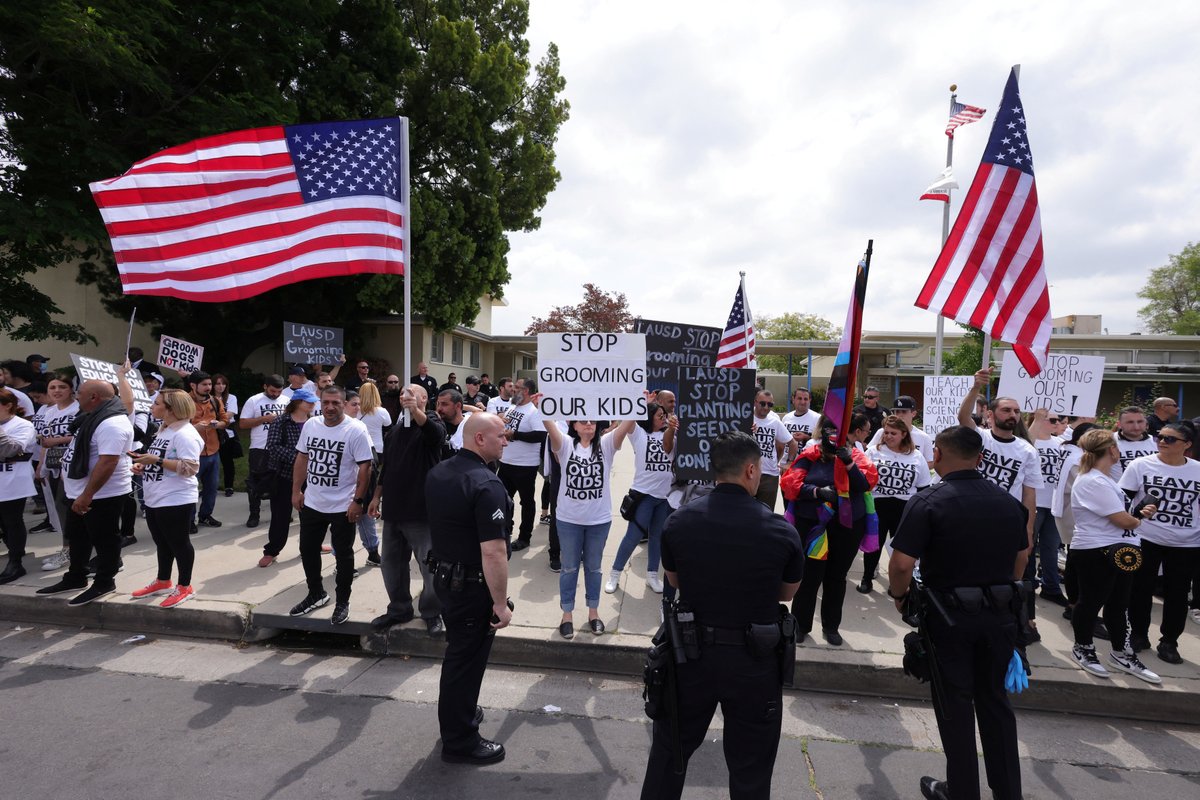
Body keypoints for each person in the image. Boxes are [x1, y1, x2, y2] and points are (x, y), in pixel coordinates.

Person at [640, 430, 803, 799]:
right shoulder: (780, 530)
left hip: (690, 657)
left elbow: (675, 579)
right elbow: (787, 593)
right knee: (751, 769)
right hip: (753, 662)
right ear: (750, 470)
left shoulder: (679, 521)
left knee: (669, 754)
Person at [887, 425, 1027, 800]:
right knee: (996, 704)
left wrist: (899, 597)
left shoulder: (929, 500)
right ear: (980, 458)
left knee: (956, 706)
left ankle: (962, 792)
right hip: (1000, 616)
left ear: (937, 456)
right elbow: (1022, 554)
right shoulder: (1007, 501)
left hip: (949, 620)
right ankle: (1008, 792)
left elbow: (901, 564)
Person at [424, 412, 512, 764]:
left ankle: (462, 713)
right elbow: (493, 550)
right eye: (501, 436)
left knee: (460, 655)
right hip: (470, 586)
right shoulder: (485, 484)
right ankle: (459, 740)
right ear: (480, 439)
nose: (506, 441)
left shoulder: (439, 471)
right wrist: (500, 603)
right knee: (465, 660)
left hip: (445, 579)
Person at [1066, 428, 1161, 682]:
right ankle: (1083, 648)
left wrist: (1137, 515)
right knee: (1091, 602)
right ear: (1111, 450)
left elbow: (1124, 517)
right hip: (1095, 550)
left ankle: (1120, 653)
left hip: (1117, 548)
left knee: (1119, 604)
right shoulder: (1093, 481)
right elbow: (1124, 521)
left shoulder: (1104, 479)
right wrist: (1138, 518)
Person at [958, 368, 1041, 640]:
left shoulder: (1027, 450)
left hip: (1006, 520)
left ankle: (1006, 622)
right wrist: (975, 388)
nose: (1013, 415)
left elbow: (1029, 493)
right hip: (972, 516)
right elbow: (962, 418)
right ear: (992, 415)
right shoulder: (980, 438)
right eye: (1006, 410)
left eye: (1016, 411)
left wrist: (1028, 530)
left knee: (1006, 574)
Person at [781, 413, 879, 645]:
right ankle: (800, 625)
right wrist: (816, 491)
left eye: (838, 433)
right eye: (829, 432)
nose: (834, 437)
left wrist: (849, 463)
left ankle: (831, 626)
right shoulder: (810, 456)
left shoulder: (857, 457)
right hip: (813, 525)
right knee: (809, 577)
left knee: (836, 577)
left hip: (847, 526)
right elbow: (790, 483)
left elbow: (865, 483)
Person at [36, 380, 136, 606]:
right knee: (77, 537)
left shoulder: (112, 423)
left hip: (101, 495)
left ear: (94, 398)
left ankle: (104, 582)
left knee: (104, 539)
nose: (75, 396)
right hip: (78, 492)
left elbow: (107, 462)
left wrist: (87, 495)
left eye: (79, 393)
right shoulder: (91, 416)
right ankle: (76, 577)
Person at [538, 408, 634, 638]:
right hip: (568, 520)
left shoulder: (607, 444)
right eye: (583, 420)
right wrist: (544, 404)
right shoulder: (564, 445)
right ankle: (567, 614)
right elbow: (548, 423)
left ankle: (593, 613)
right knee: (569, 567)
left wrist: (638, 403)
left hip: (598, 521)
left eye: (592, 420)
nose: (589, 423)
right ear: (574, 425)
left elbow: (627, 425)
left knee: (594, 568)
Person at [288, 385, 374, 625]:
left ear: (344, 404)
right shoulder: (311, 425)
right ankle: (316, 593)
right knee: (307, 550)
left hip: (343, 506)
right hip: (313, 502)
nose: (330, 407)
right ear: (320, 403)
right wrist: (296, 490)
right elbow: (302, 457)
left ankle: (342, 601)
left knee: (344, 556)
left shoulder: (356, 430)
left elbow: (366, 468)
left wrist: (358, 501)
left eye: (336, 403)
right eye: (326, 402)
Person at [368, 384, 447, 634]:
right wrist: (375, 497)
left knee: (429, 566)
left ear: (424, 398)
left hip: (421, 511)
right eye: (404, 393)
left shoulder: (431, 422)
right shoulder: (394, 431)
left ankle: (433, 612)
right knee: (392, 565)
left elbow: (436, 436)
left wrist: (417, 412)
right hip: (393, 510)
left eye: (412, 393)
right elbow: (387, 468)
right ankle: (399, 609)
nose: (406, 396)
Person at [1121, 422, 1200, 665]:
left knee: (1176, 593)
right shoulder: (1141, 465)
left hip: (1186, 542)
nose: (1162, 441)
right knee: (1140, 588)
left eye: (1170, 439)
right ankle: (1138, 634)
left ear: (1187, 445)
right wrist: (1137, 512)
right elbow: (1122, 497)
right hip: (1146, 537)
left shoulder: (1197, 470)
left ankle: (1169, 641)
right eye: (1160, 437)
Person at [128, 389, 204, 608]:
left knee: (179, 543)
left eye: (157, 403)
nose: (152, 407)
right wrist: (143, 464)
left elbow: (190, 467)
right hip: (155, 497)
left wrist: (157, 461)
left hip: (176, 498)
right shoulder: (165, 429)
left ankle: (185, 586)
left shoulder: (185, 433)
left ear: (171, 409)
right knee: (162, 542)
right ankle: (163, 580)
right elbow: (160, 459)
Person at [605, 402, 677, 596]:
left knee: (656, 538)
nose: (663, 417)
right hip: (643, 495)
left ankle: (652, 575)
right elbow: (626, 413)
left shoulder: (671, 434)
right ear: (649, 417)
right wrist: (641, 400)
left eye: (665, 414)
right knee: (633, 536)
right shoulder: (639, 434)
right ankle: (615, 573)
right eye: (659, 415)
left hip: (664, 497)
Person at [859, 414, 931, 593]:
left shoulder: (916, 456)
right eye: (886, 432)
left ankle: (896, 583)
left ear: (904, 434)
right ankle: (867, 578)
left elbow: (923, 487)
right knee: (873, 545)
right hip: (877, 507)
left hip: (904, 509)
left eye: (893, 433)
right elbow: (862, 478)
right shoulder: (873, 451)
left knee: (899, 549)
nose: (888, 436)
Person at [257, 390, 316, 567]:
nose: (312, 405)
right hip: (284, 476)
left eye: (313, 402)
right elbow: (273, 446)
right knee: (280, 516)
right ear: (297, 402)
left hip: (311, 477)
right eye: (308, 402)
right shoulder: (281, 422)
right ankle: (272, 551)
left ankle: (311, 546)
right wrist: (300, 458)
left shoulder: (315, 422)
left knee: (311, 515)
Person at [33, 377, 77, 571]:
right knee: (60, 509)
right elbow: (45, 441)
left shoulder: (78, 409)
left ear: (71, 390)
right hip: (54, 465)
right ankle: (68, 547)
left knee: (69, 507)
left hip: (74, 464)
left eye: (62, 387)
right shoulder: (48, 411)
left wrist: (58, 440)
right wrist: (41, 466)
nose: (57, 390)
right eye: (52, 387)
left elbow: (82, 434)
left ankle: (70, 550)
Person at [498, 377, 546, 552]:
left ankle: (524, 537)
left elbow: (540, 436)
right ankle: (505, 530)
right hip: (505, 463)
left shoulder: (534, 412)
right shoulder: (513, 407)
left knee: (526, 503)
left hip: (525, 466)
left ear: (526, 391)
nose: (513, 390)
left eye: (517, 388)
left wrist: (515, 435)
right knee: (502, 500)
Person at [1028, 409, 1070, 605]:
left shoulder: (1061, 444)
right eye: (1052, 420)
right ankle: (1027, 585)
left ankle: (1050, 587)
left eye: (1058, 420)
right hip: (1033, 502)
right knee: (1027, 547)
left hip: (1052, 504)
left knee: (1050, 548)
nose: (1057, 423)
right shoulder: (1029, 440)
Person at [240, 374, 288, 528]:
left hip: (281, 447)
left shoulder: (286, 400)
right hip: (260, 448)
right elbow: (243, 424)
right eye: (273, 391)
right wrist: (263, 419)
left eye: (279, 391)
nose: (275, 394)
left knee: (281, 482)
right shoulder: (254, 400)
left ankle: (280, 514)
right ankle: (254, 515)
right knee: (256, 483)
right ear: (265, 386)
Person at [0, 388, 37, 583]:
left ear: (8, 406)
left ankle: (16, 562)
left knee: (12, 520)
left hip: (13, 481)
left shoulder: (23, 426)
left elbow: (12, 450)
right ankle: (14, 549)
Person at [186, 371, 229, 530]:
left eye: (209, 384)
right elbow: (174, 425)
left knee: (212, 487)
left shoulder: (215, 401)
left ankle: (205, 515)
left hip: (213, 451)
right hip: (192, 453)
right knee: (191, 489)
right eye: (204, 385)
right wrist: (193, 428)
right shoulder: (184, 402)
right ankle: (189, 520)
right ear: (192, 385)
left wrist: (219, 424)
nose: (208, 387)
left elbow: (225, 420)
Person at [751, 389, 791, 510]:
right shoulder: (746, 417)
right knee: (745, 512)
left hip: (769, 475)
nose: (766, 407)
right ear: (755, 402)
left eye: (770, 404)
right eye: (762, 403)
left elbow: (790, 443)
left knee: (766, 513)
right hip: (747, 472)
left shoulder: (775, 421)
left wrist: (788, 462)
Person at [867, 395, 934, 466]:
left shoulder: (923, 437)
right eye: (897, 412)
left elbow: (930, 462)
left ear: (913, 413)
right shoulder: (883, 432)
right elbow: (869, 454)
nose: (900, 415)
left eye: (904, 412)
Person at [212, 374, 240, 498]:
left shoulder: (231, 398)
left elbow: (229, 414)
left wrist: (216, 420)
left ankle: (229, 486)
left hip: (227, 431)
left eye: (223, 384)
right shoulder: (208, 398)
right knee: (210, 460)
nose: (221, 386)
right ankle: (209, 486)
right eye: (218, 383)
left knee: (227, 460)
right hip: (211, 432)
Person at [1112, 406, 1158, 476]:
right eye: (1130, 422)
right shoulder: (1108, 441)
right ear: (1119, 424)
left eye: (1140, 422)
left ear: (1146, 423)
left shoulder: (1158, 443)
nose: (1136, 427)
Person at [781, 387, 821, 455]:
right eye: (799, 398)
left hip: (805, 462)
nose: (802, 402)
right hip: (785, 462)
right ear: (793, 399)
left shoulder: (817, 418)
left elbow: (822, 441)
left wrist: (806, 437)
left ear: (810, 400)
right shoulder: (786, 418)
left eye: (805, 399)